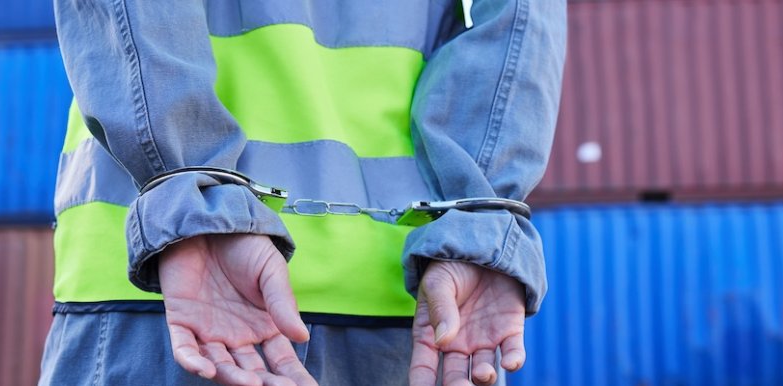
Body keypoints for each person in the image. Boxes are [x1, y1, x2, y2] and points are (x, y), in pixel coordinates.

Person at [40, 0, 566, 385]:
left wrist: (187, 189)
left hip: (172, 274)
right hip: (406, 298)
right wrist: (480, 212)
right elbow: (520, 19)